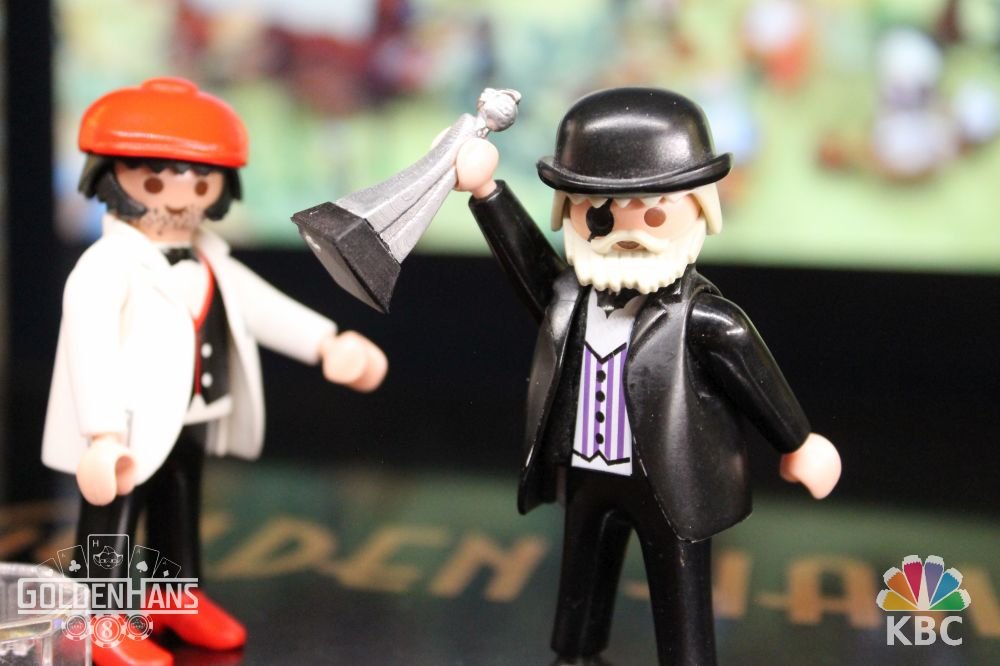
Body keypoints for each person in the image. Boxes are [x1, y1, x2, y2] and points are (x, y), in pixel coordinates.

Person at [453, 87, 841, 665]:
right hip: (587, 473)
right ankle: (576, 656)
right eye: (600, 214)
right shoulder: (569, 300)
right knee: (581, 575)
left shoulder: (701, 319)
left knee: (678, 591)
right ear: (572, 212)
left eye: (654, 212)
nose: (626, 233)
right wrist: (488, 193)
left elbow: (747, 365)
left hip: (668, 480)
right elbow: (530, 266)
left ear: (699, 208)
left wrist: (798, 440)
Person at [42, 77, 388, 666]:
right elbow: (88, 348)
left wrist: (326, 343)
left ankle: (173, 597)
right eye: (155, 181)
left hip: (192, 415)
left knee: (180, 504)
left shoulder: (210, 258)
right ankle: (98, 618)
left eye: (201, 182)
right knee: (113, 517)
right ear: (110, 177)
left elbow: (263, 307)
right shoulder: (105, 268)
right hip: (123, 425)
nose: (180, 200)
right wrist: (101, 434)